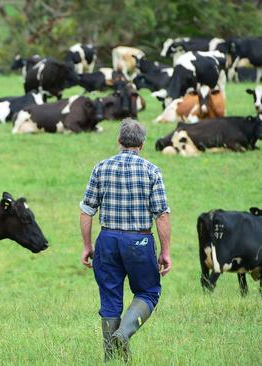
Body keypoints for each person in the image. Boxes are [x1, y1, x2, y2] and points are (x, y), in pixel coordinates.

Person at [79, 119, 172, 362]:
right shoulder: (152, 171)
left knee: (110, 300)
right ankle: (122, 333)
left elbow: (86, 210)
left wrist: (88, 246)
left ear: (119, 141)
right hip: (139, 241)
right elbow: (161, 215)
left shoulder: (101, 167)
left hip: (107, 239)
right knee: (149, 292)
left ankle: (112, 358)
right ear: (142, 144)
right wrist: (166, 251)